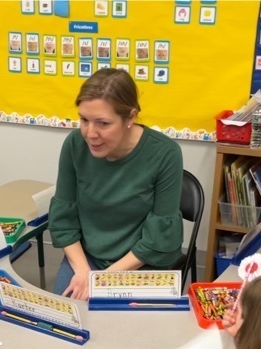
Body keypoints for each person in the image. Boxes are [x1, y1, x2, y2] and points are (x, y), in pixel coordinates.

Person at [49, 68, 184, 301]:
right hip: (86, 259)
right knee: (65, 316)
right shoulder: (74, 145)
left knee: (124, 323)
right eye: (84, 120)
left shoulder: (165, 153)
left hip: (142, 262)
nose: (90, 134)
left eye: (103, 123)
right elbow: (64, 220)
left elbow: (158, 240)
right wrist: (83, 271)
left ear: (130, 117)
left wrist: (103, 281)